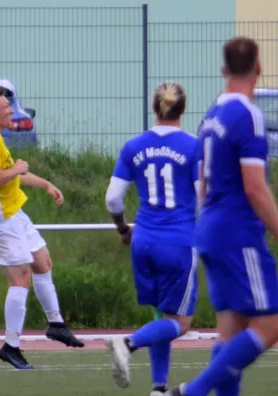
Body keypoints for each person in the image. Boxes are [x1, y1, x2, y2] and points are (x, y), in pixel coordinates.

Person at [166, 36, 278, 396]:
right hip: (237, 234)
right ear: (258, 69)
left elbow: (201, 182)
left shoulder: (211, 116)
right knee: (270, 326)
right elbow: (255, 187)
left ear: (223, 70)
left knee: (231, 330)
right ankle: (191, 391)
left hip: (209, 228)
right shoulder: (248, 115)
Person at [0, 87, 85, 370]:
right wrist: (18, 169)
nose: (11, 110)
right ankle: (11, 346)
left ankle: (56, 323)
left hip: (14, 213)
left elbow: (11, 174)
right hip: (1, 219)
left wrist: (45, 184)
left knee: (42, 261)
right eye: (6, 106)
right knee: (21, 277)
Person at [103, 81, 200, 396]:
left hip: (143, 240)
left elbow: (113, 199)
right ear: (182, 109)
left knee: (161, 313)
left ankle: (158, 388)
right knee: (181, 322)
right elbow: (203, 197)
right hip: (178, 241)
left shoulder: (134, 146)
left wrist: (122, 229)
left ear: (153, 108)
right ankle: (128, 343)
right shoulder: (193, 146)